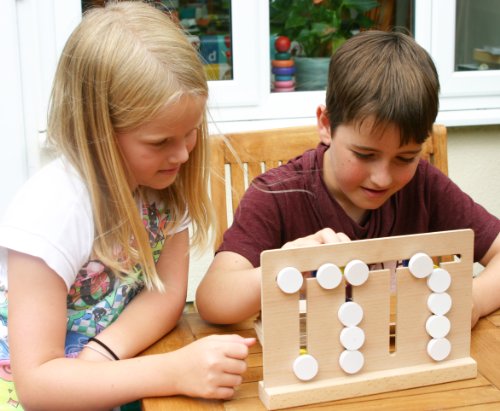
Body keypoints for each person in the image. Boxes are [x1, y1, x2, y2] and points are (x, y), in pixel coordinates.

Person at [0, 2, 254, 410]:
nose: (183, 155)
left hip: (111, 374)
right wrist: (173, 371)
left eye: (190, 134)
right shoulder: (50, 212)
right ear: (96, 128)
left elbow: (167, 293)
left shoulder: (162, 184)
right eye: (160, 142)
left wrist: (103, 353)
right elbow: (36, 384)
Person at [196, 30, 500, 328]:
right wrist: (286, 266)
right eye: (365, 155)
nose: (382, 178)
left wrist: (474, 298)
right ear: (326, 125)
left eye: (405, 158)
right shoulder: (276, 194)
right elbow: (213, 299)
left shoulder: (424, 185)